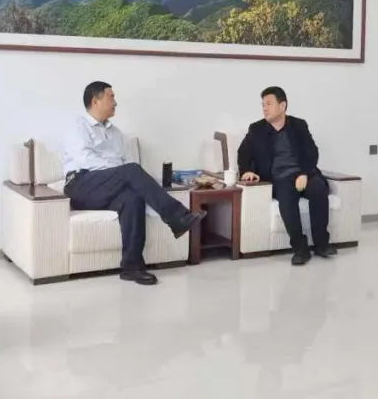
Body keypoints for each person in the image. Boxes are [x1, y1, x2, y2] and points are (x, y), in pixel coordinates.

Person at [62, 82, 205, 285]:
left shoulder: (115, 133)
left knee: (132, 198)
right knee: (130, 170)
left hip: (108, 186)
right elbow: (86, 160)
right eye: (111, 97)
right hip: (81, 185)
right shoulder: (77, 127)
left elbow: (128, 164)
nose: (115, 102)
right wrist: (120, 170)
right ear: (95, 101)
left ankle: (132, 267)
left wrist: (126, 173)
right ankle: (176, 216)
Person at [237, 86, 334, 266]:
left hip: (303, 173)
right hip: (280, 178)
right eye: (263, 104)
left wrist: (304, 174)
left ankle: (322, 244)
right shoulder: (256, 129)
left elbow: (312, 153)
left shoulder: (299, 125)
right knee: (287, 199)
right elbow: (243, 153)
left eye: (269, 104)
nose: (265, 108)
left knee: (319, 189)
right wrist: (246, 171)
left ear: (282, 106)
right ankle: (300, 249)